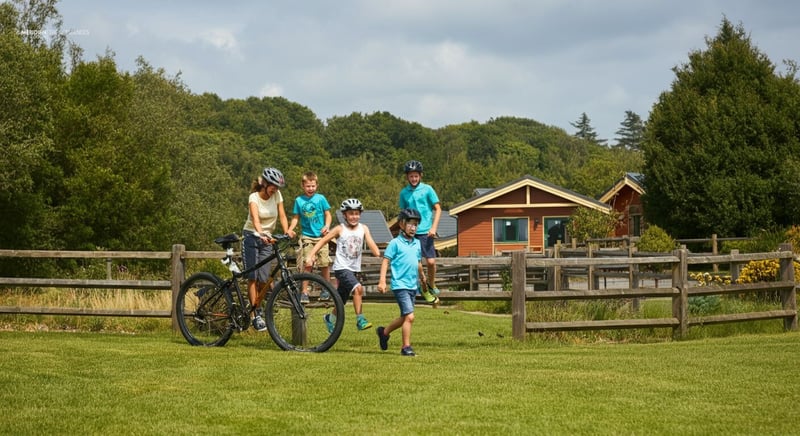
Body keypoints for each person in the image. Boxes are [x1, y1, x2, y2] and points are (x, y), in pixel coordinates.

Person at [305, 198, 381, 332]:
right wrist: (311, 255)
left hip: (354, 269)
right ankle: (360, 319)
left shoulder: (363, 228)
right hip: (341, 268)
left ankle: (330, 318)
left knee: (341, 300)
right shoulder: (340, 229)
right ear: (344, 215)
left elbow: (372, 245)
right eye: (351, 213)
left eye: (357, 213)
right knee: (358, 288)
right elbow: (322, 241)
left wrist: (378, 253)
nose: (354, 216)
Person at [242, 167, 289, 332]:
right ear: (264, 183)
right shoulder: (253, 197)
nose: (275, 189)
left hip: (267, 239)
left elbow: (282, 215)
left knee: (264, 279)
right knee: (253, 277)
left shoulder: (276, 195)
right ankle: (256, 314)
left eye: (277, 186)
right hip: (251, 237)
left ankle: (255, 307)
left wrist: (287, 231)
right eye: (272, 185)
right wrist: (260, 233)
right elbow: (255, 219)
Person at [376, 208, 427, 357]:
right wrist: (382, 281)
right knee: (410, 317)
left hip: (413, 285)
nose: (414, 227)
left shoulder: (417, 243)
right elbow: (386, 261)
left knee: (405, 317)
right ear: (402, 224)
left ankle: (384, 333)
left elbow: (417, 262)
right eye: (411, 224)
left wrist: (423, 277)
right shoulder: (395, 243)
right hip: (400, 285)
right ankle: (406, 347)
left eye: (416, 225)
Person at [399, 159, 442, 304]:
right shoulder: (404, 193)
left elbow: (438, 208)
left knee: (430, 261)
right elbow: (403, 213)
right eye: (411, 176)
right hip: (411, 231)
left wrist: (434, 227)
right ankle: (423, 287)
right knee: (416, 263)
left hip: (426, 231)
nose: (413, 179)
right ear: (407, 177)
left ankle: (432, 283)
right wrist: (403, 229)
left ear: (420, 176)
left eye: (416, 176)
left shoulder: (427, 189)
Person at [286, 171, 333, 303]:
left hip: (321, 236)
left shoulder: (321, 199)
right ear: (303, 186)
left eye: (313, 186)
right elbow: (296, 217)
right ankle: (304, 292)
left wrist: (327, 226)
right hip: (307, 236)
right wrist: (290, 229)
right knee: (308, 263)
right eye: (308, 186)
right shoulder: (299, 201)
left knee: (324, 263)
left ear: (316, 186)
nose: (310, 189)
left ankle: (326, 289)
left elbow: (328, 214)